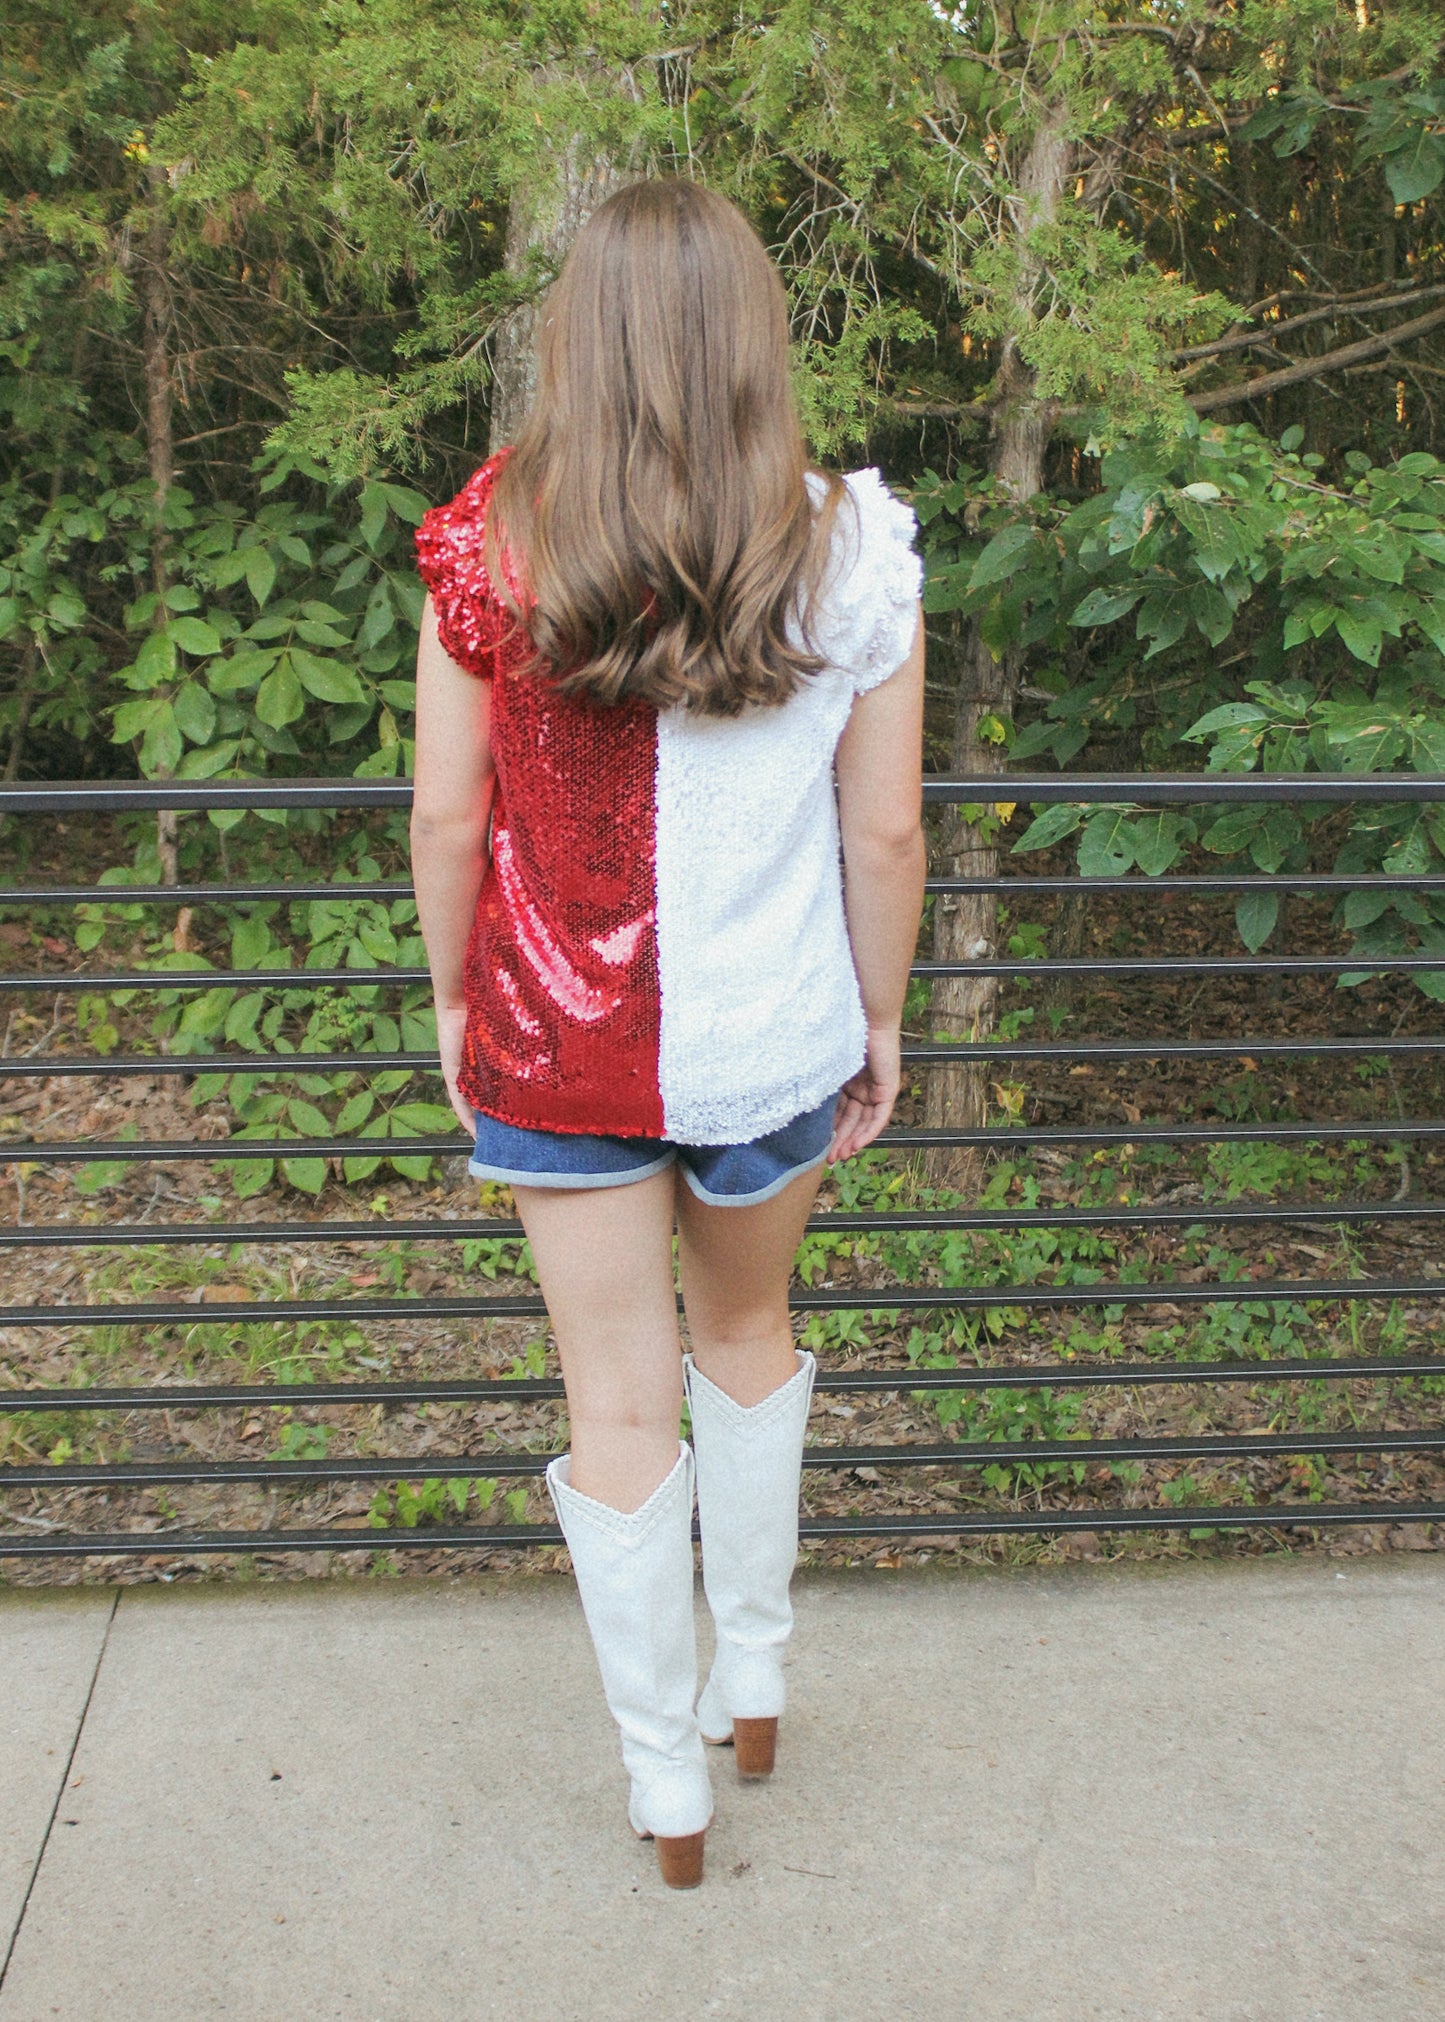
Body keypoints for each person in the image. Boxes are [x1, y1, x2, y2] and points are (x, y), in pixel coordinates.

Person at [409, 178, 925, 1890]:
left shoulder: (496, 535)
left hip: (559, 1050)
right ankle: (756, 1675)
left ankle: (666, 1787)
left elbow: (444, 816)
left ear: (584, 339)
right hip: (771, 1044)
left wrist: (453, 998)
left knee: (617, 1405)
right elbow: (885, 835)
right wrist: (878, 1014)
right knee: (752, 1326)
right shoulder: (849, 539)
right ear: (757, 337)